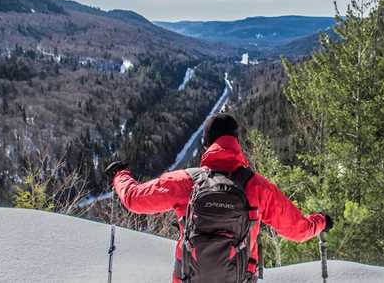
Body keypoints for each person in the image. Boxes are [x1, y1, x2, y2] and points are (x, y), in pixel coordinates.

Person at [105, 113, 333, 283]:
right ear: (236, 142)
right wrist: (321, 221)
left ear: (207, 143)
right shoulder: (258, 187)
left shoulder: (186, 181)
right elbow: (299, 230)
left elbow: (134, 199)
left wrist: (120, 175)